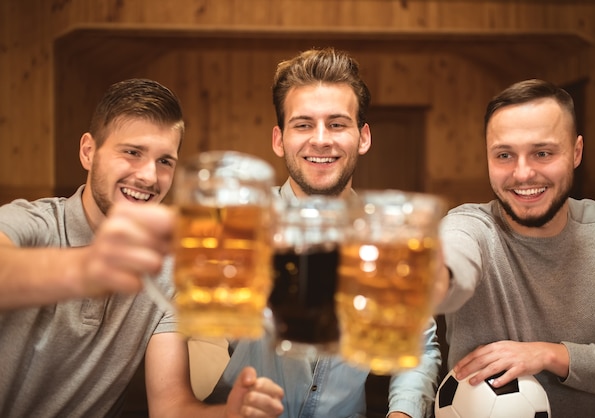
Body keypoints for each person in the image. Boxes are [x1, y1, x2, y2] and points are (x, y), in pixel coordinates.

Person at [0, 78, 284, 418]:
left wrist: (230, 413)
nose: (149, 176)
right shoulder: (34, 223)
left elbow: (170, 407)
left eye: (165, 161)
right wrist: (88, 266)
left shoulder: (168, 269)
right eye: (132, 152)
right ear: (88, 152)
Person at [204, 47, 441, 418]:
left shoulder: (389, 237)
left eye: (336, 123)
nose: (320, 140)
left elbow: (419, 349)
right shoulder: (235, 225)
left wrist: (403, 415)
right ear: (279, 139)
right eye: (302, 124)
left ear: (362, 137)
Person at [434, 79, 595, 418]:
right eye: (505, 155)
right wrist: (435, 277)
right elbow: (453, 259)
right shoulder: (469, 225)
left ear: (576, 152)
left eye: (543, 153)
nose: (523, 174)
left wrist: (550, 355)